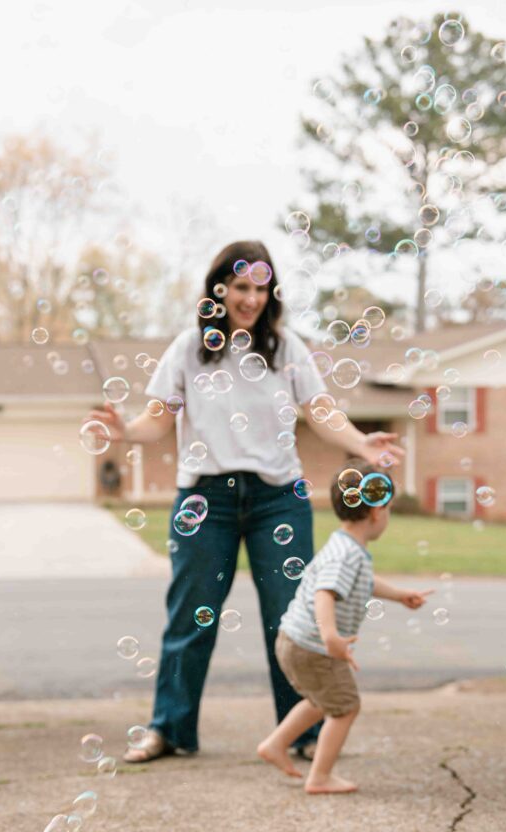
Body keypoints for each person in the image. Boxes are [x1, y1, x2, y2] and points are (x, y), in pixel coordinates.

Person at [84, 240, 404, 763]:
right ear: (220, 289)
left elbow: (321, 410)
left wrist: (361, 442)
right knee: (191, 615)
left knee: (291, 618)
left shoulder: (287, 348)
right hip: (205, 498)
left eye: (260, 287)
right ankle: (170, 728)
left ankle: (301, 733)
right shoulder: (189, 347)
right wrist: (123, 432)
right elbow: (158, 419)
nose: (250, 298)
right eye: (240, 287)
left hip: (279, 498)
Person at [257, 459, 432, 794]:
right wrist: (331, 637)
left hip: (295, 642)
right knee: (346, 706)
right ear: (378, 512)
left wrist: (400, 595)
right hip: (315, 647)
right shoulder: (347, 555)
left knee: (323, 700)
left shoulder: (346, 546)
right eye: (390, 510)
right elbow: (325, 593)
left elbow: (364, 582)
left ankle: (275, 744)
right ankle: (320, 777)